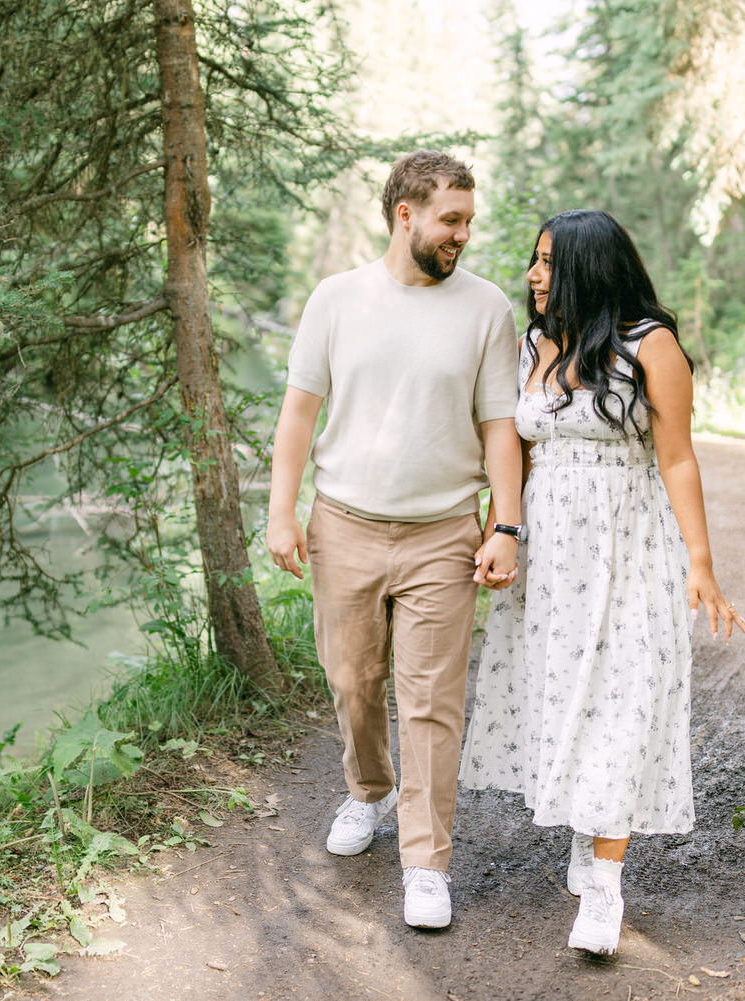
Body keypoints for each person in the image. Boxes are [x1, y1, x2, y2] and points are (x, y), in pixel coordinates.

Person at [459, 209, 745, 956]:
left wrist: (702, 562)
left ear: (591, 268)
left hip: (627, 546)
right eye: (535, 259)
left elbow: (678, 458)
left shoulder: (651, 347)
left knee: (624, 696)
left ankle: (606, 888)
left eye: (550, 262)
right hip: (551, 558)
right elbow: (513, 452)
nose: (534, 274)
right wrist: (504, 530)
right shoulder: (534, 344)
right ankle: (588, 833)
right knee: (569, 693)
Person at [267, 150, 523, 929]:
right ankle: (368, 790)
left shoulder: (486, 308)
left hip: (443, 533)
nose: (463, 235)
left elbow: (500, 427)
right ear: (404, 214)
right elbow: (299, 414)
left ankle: (426, 860)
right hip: (342, 523)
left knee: (433, 701)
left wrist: (505, 523)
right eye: (451, 220)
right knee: (352, 680)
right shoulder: (337, 299)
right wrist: (282, 512)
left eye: (469, 221)